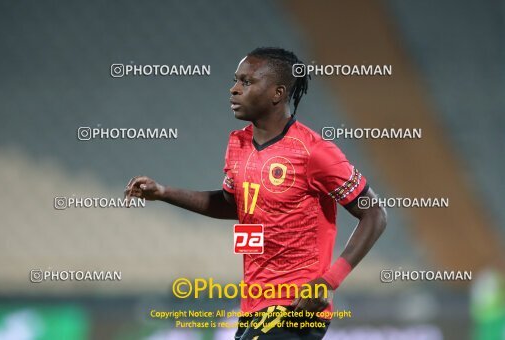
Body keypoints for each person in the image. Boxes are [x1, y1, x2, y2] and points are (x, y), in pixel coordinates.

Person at [125, 47, 387, 339]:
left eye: (246, 82)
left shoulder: (314, 151)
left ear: (277, 93)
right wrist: (163, 192)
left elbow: (374, 213)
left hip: (296, 308)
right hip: (253, 308)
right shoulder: (238, 144)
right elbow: (233, 205)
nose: (234, 89)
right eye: (236, 80)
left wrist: (328, 282)